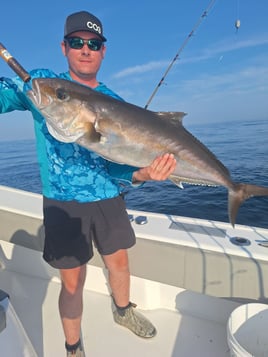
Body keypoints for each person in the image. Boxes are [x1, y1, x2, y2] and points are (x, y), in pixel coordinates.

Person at [0, 10, 176, 356]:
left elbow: (120, 168)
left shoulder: (114, 100)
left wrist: (142, 175)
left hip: (109, 197)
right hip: (63, 203)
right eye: (77, 42)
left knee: (120, 264)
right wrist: (25, 87)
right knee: (73, 282)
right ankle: (72, 345)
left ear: (103, 51)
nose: (85, 49)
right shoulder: (46, 88)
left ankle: (123, 310)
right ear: (64, 47)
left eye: (93, 43)